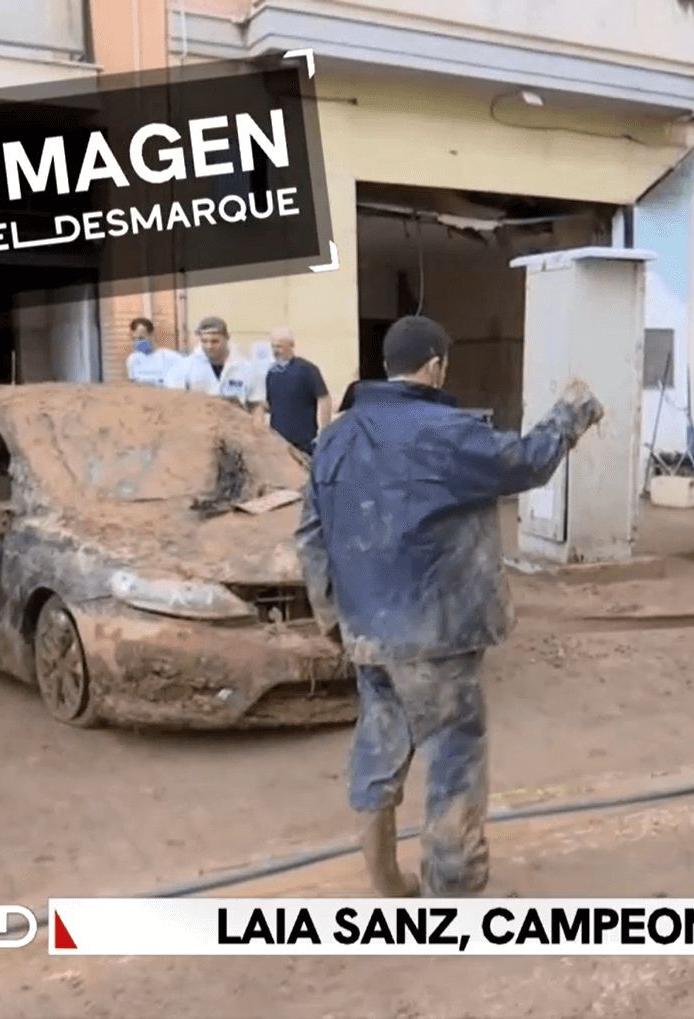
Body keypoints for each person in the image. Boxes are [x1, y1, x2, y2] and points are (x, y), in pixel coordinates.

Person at [296, 315, 602, 897]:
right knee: (454, 755)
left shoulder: (334, 437)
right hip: (437, 633)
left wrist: (333, 619)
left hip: (366, 630)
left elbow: (309, 536)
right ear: (436, 365)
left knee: (379, 746)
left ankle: (386, 881)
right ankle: (452, 893)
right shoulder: (444, 430)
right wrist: (572, 411)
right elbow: (527, 462)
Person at [260, 327, 331, 454]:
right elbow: (270, 404)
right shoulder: (272, 373)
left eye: (279, 347)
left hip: (304, 443)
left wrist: (324, 432)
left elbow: (324, 399)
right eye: (273, 347)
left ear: (291, 346)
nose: (275, 351)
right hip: (278, 444)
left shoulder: (307, 370)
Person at [164, 316, 254, 407]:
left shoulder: (246, 368)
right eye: (204, 341)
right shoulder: (183, 367)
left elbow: (256, 404)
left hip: (235, 419)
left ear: (227, 337)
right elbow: (174, 401)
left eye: (215, 341)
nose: (209, 346)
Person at [123, 316, 181, 387]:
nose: (138, 342)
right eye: (135, 339)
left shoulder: (169, 357)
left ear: (152, 335)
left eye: (141, 338)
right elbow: (134, 384)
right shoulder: (132, 359)